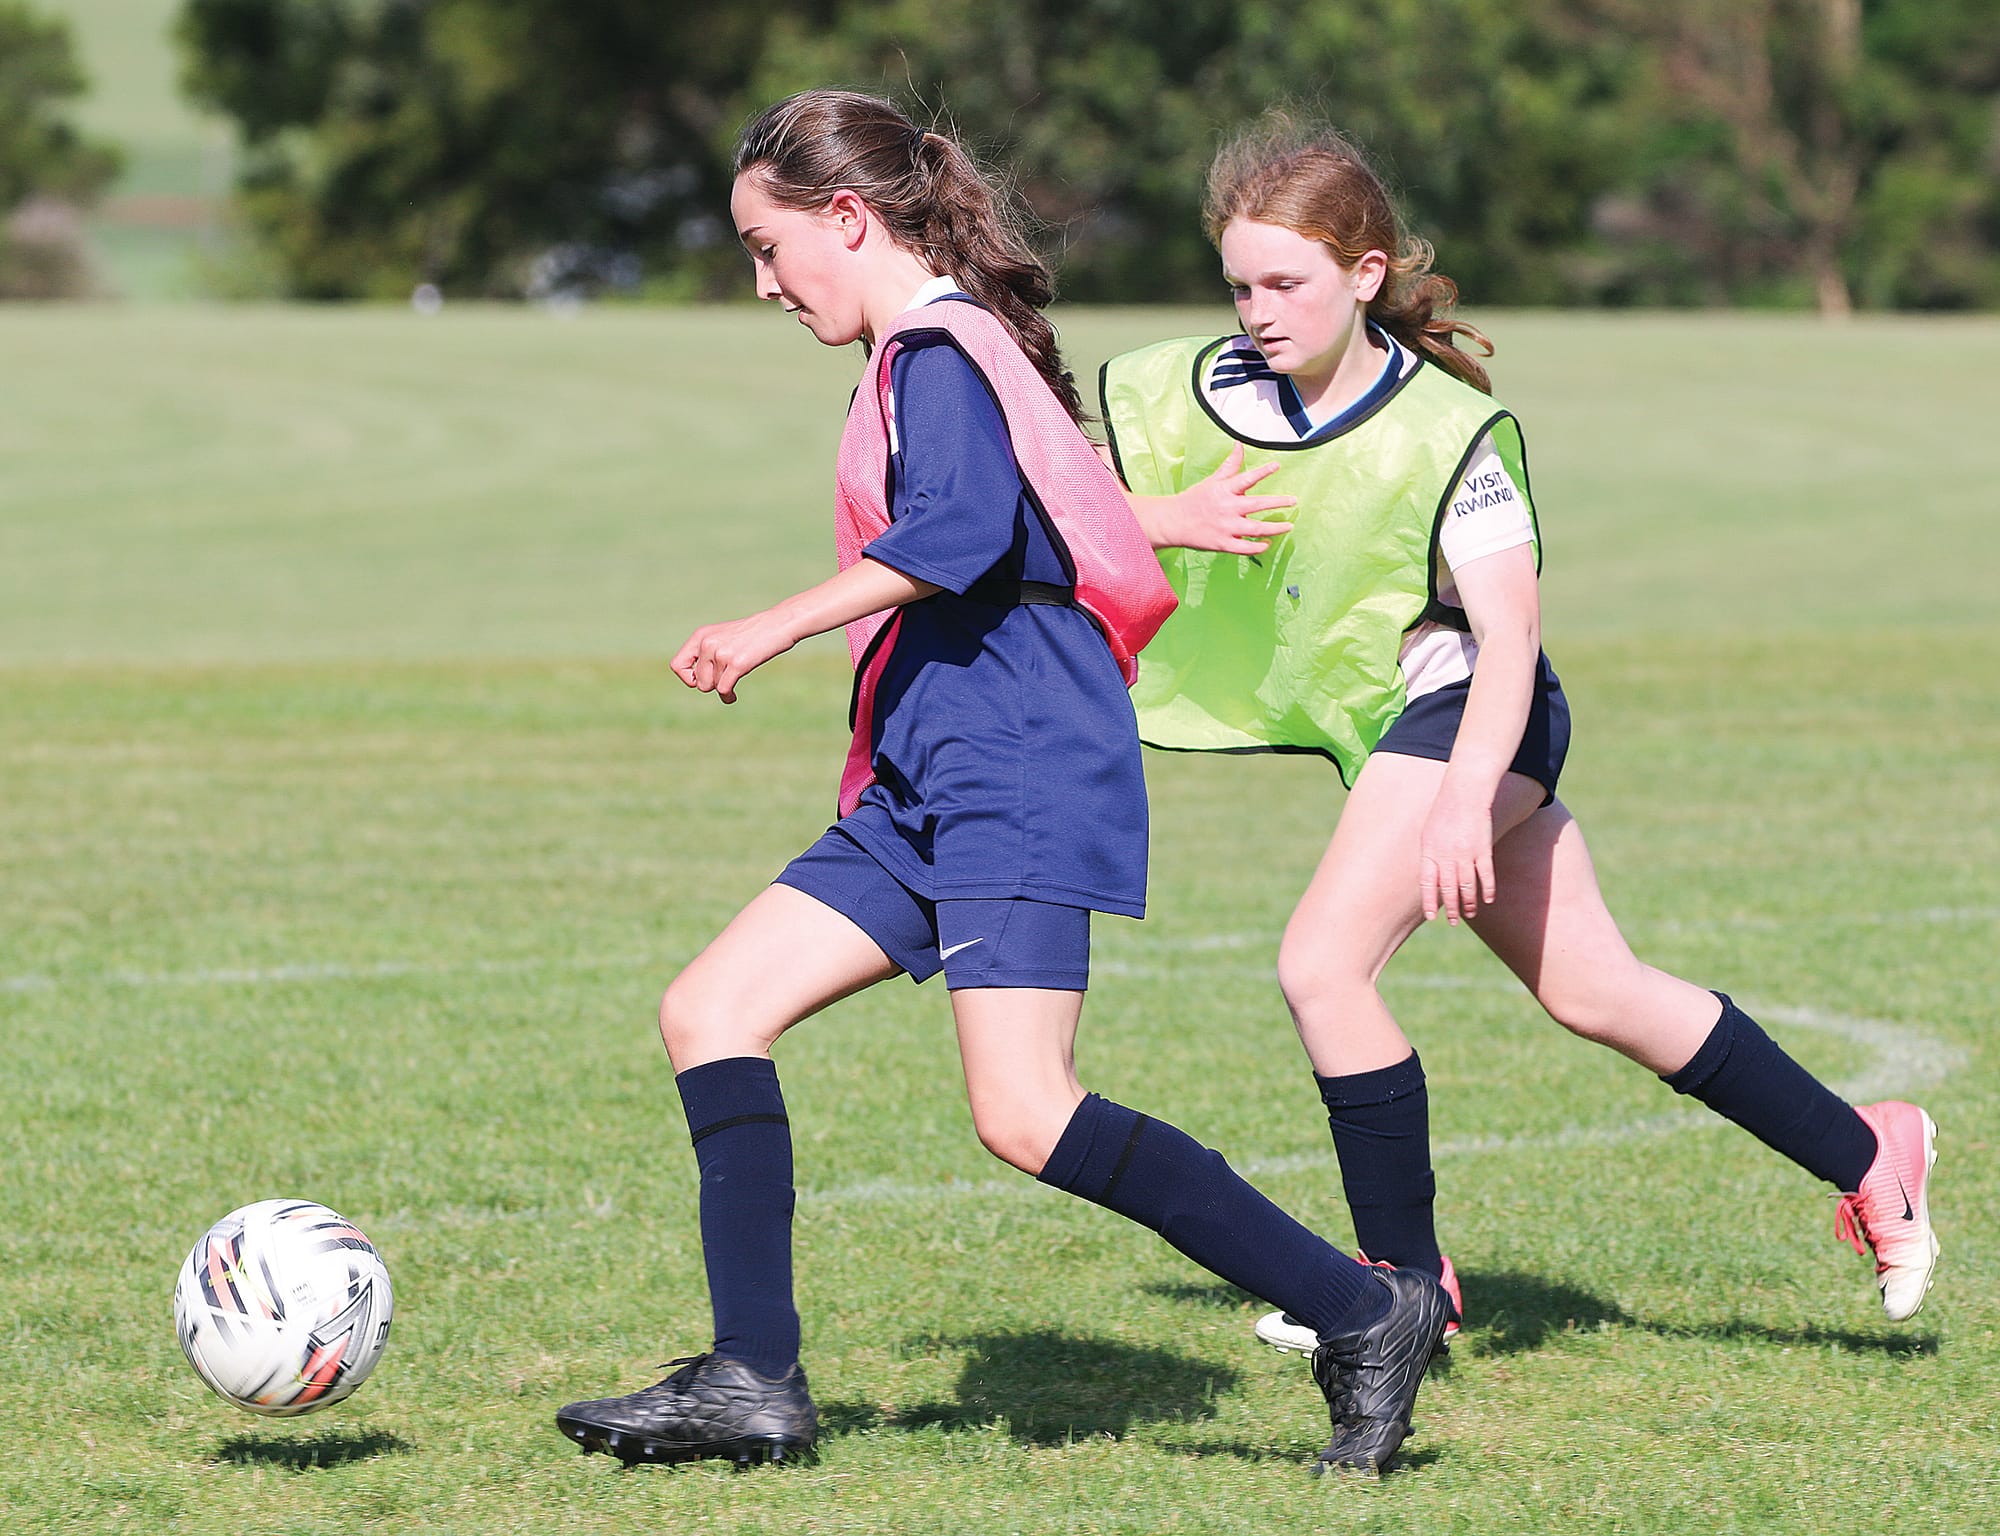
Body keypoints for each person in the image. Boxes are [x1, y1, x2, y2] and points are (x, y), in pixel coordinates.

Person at [553, 90, 1452, 1478]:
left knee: (1026, 1112)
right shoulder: (941, 347)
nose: (763, 284)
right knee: (712, 1009)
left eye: (769, 247)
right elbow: (1049, 515)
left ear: (846, 218)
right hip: (930, 774)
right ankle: (752, 1379)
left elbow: (965, 533)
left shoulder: (937, 352)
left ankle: (1360, 1311)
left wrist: (770, 624)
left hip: (1016, 766)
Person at [1099, 112, 1940, 1356]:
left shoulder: (1449, 434)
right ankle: (1870, 1149)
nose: (1257, 310)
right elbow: (1061, 509)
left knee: (1322, 966)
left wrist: (1457, 798)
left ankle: (1398, 1291)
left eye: (1286, 282)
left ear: (1363, 274)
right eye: (1239, 283)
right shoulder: (1191, 385)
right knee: (1598, 990)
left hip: (1470, 716)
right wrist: (1167, 508)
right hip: (1391, 729)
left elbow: (1507, 639)